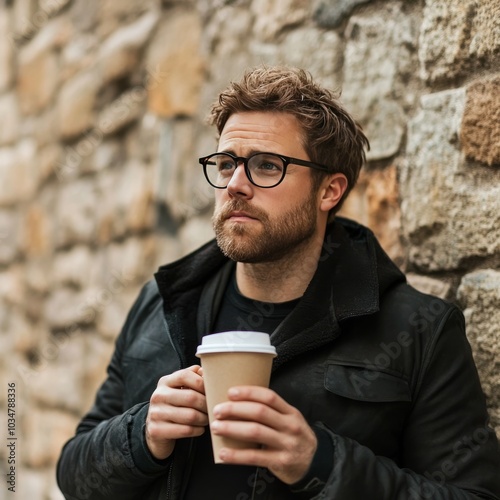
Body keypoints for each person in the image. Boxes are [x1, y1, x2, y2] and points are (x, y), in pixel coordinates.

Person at [57, 66, 500, 500]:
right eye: (227, 163)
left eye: (267, 166)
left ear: (329, 191)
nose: (235, 185)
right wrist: (142, 434)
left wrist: (321, 463)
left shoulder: (419, 329)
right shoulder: (164, 302)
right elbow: (73, 475)